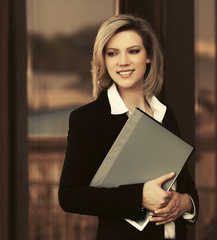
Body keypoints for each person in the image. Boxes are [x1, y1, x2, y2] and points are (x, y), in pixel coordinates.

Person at [58, 14, 199, 240]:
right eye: (112, 53)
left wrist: (185, 203)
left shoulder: (165, 113)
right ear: (103, 60)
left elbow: (186, 184)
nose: (123, 61)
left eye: (133, 51)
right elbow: (70, 195)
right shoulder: (88, 119)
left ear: (149, 56)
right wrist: (139, 197)